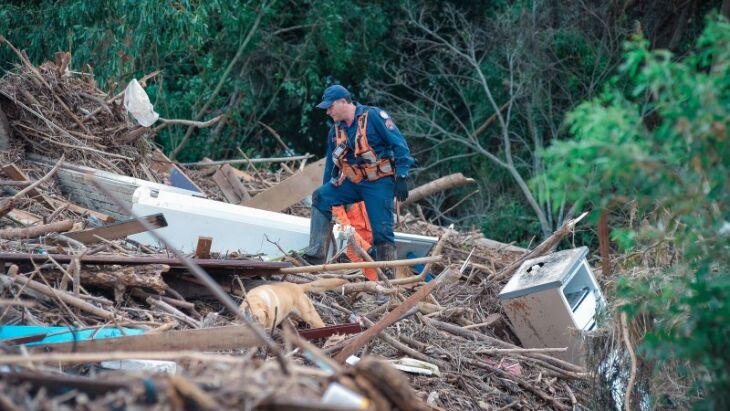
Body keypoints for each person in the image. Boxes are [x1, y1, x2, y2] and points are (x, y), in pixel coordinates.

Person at [302, 84, 414, 279]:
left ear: (343, 102)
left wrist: (402, 175)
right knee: (320, 197)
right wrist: (327, 187)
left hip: (378, 183)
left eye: (330, 107)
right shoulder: (335, 131)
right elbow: (331, 164)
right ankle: (315, 256)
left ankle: (387, 282)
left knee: (382, 233)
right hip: (353, 182)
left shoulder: (374, 117)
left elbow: (400, 145)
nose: (328, 112)